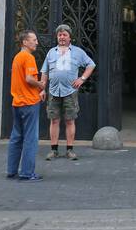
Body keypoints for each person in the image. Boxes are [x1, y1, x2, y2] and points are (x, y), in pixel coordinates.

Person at [40, 24, 95, 161]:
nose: (62, 37)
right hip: (53, 91)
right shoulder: (51, 52)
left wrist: (82, 79)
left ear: (70, 37)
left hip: (70, 91)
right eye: (59, 35)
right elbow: (44, 71)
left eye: (64, 35)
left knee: (70, 120)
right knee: (54, 120)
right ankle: (54, 150)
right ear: (57, 37)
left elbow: (91, 64)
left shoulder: (77, 52)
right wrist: (42, 89)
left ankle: (70, 150)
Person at [7, 29, 44, 181]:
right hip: (29, 102)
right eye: (33, 39)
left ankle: (11, 170)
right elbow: (29, 79)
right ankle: (27, 172)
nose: (36, 42)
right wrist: (40, 85)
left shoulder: (17, 57)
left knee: (16, 136)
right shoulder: (28, 57)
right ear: (25, 42)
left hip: (17, 102)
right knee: (30, 138)